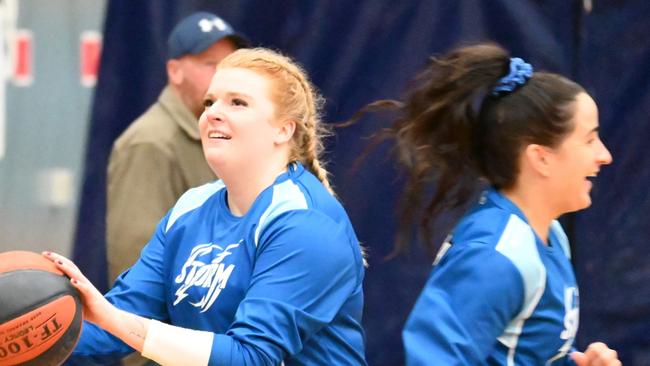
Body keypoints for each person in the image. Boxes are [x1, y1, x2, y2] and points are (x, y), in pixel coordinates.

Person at [48, 48, 367, 365]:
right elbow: (114, 324)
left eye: (237, 103)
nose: (213, 113)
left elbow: (251, 357)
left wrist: (119, 323)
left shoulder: (305, 222)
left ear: (283, 129)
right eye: (209, 102)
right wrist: (24, 334)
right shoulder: (192, 207)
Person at [358, 43, 620, 365]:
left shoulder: (549, 234)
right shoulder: (498, 256)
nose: (604, 155)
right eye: (590, 139)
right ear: (541, 158)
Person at [106, 11, 249, 282]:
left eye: (230, 65)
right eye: (210, 64)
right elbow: (136, 262)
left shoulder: (219, 131)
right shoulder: (149, 143)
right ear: (175, 71)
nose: (223, 76)